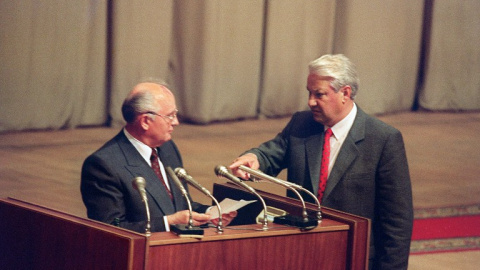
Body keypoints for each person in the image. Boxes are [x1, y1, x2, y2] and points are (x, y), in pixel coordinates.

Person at [229, 54, 413, 270]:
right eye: (309, 93)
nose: (311, 102)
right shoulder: (301, 124)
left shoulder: (383, 139)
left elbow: (397, 221)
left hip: (353, 257)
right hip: (301, 254)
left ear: (345, 93)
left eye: (319, 94)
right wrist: (255, 158)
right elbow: (271, 154)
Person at [81, 80, 236, 233]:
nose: (176, 122)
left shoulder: (167, 148)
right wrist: (167, 224)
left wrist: (209, 213)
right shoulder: (103, 165)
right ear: (146, 121)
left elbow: (179, 205)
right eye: (170, 116)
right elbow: (111, 230)